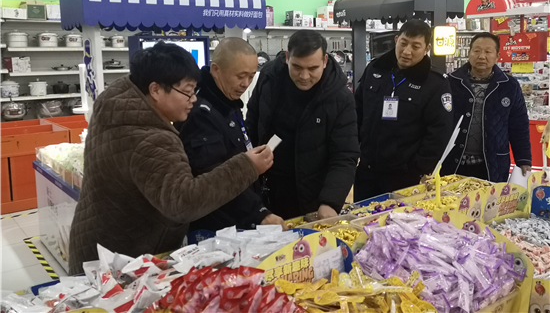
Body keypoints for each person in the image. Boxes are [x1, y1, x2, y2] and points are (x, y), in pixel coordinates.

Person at [69, 42, 273, 274]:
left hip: (100, 245)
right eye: (187, 91)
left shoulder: (119, 104)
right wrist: (246, 167)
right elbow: (183, 201)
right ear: (155, 90)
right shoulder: (150, 137)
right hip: (122, 261)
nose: (193, 99)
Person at [246, 30, 359, 220]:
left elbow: (345, 154)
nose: (304, 76)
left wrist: (330, 202)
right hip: (266, 191)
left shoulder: (340, 98)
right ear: (287, 57)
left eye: (313, 68)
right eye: (297, 67)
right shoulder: (269, 78)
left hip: (314, 196)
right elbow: (251, 125)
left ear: (324, 61)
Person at [178, 38, 286, 231]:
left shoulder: (228, 102)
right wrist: (258, 212)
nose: (246, 84)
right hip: (216, 229)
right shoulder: (200, 113)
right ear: (216, 70)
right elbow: (211, 176)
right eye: (240, 76)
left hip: (239, 221)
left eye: (251, 76)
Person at [355, 19, 454, 200]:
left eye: (415, 46)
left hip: (405, 177)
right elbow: (357, 111)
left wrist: (418, 169)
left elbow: (439, 132)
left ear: (427, 48)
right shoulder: (375, 69)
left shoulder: (435, 83)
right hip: (367, 171)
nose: (407, 51)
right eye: (403, 43)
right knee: (361, 216)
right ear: (396, 40)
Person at [441, 32, 531, 182]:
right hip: (453, 162)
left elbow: (519, 125)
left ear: (497, 56)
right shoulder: (450, 82)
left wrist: (524, 159)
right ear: (469, 53)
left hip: (492, 165)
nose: (482, 56)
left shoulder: (509, 86)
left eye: (488, 52)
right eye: (476, 51)